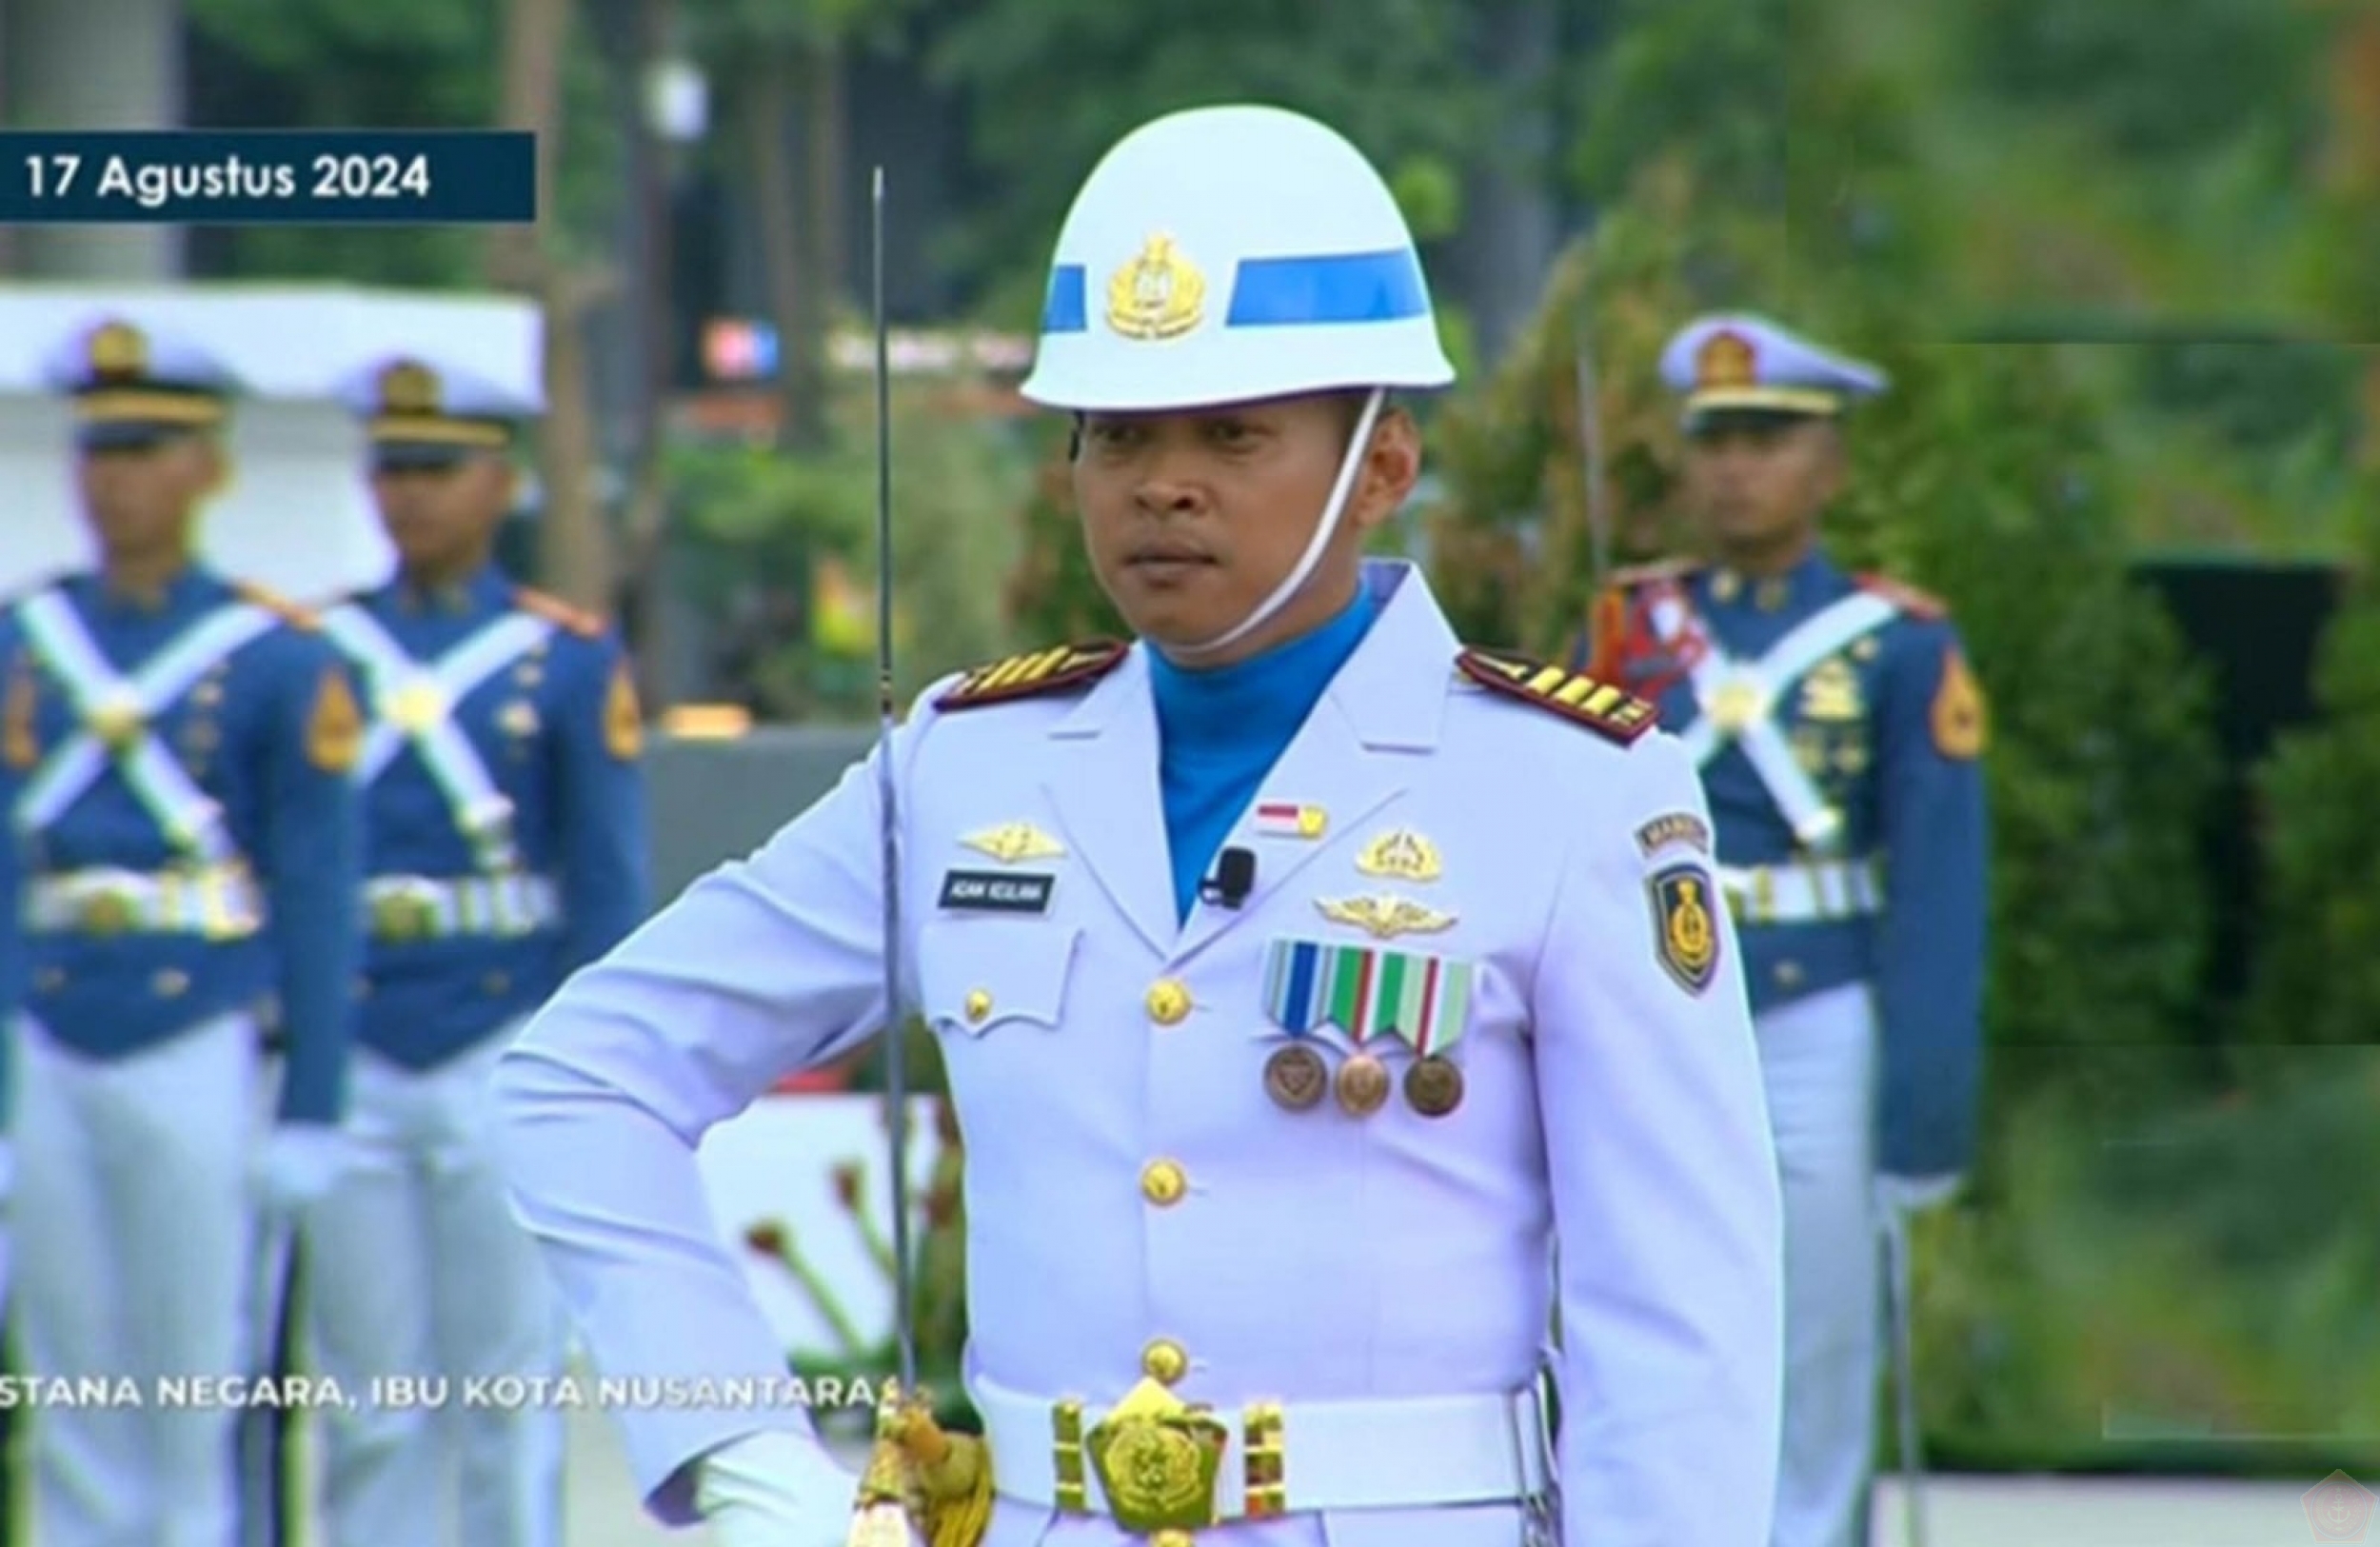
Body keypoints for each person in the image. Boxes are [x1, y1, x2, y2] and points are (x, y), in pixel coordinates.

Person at [494, 103, 1785, 1547]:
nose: (1163, 483)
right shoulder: (968, 770)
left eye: (1234, 433)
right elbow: (582, 1075)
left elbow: (1681, 1323)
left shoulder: (1571, 792)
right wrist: (738, 1452)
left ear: (1383, 464)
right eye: (1117, 434)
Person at [1573, 312, 1991, 1547]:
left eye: (1767, 439)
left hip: (1819, 1011)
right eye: (1715, 441)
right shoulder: (1628, 634)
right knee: (1643, 1303)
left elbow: (1939, 890)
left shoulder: (1900, 645)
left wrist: (1922, 1107)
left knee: (1817, 1337)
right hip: (1651, 1014)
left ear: (1830, 466)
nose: (1735, 468)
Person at [0, 316, 363, 1547]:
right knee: (70, 1380)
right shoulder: (26, 642)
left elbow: (317, 889)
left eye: (147, 448)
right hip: (52, 1026)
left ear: (208, 467)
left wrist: (314, 1097)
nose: (113, 476)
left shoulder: (270, 659)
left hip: (202, 1027)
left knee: (197, 1382)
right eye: (98, 448)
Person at [289, 353, 651, 1547]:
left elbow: (603, 885)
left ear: (500, 484)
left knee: (508, 1389)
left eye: (438, 470)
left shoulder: (563, 659)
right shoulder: (314, 653)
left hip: (501, 1034)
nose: (411, 497)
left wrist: (593, 1076)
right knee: (370, 1395)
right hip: (355, 1043)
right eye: (392, 470)